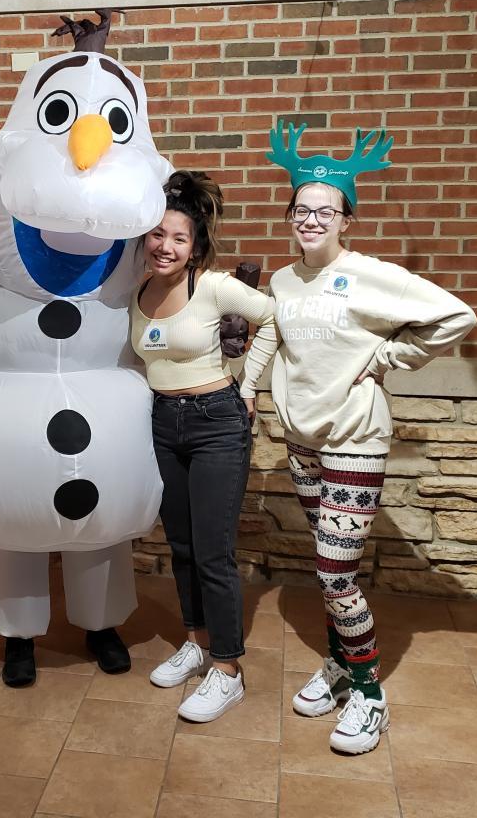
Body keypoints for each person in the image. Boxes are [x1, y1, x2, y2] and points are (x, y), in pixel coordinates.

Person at [241, 125, 477, 754]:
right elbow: (271, 335)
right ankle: (342, 667)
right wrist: (246, 387)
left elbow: (456, 316)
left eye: (326, 211)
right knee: (328, 571)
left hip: (355, 439)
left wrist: (390, 357)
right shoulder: (284, 281)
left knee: (333, 570)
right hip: (302, 442)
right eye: (301, 209)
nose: (311, 220)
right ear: (289, 215)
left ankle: (370, 693)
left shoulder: (371, 275)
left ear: (347, 219)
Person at [131, 171, 277, 723]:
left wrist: (250, 384)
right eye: (158, 235)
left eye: (179, 238)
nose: (165, 246)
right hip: (163, 424)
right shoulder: (137, 294)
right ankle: (195, 640)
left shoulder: (213, 286)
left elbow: (273, 318)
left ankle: (228, 668)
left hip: (216, 420)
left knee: (214, 552)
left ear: (195, 247)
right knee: (183, 546)